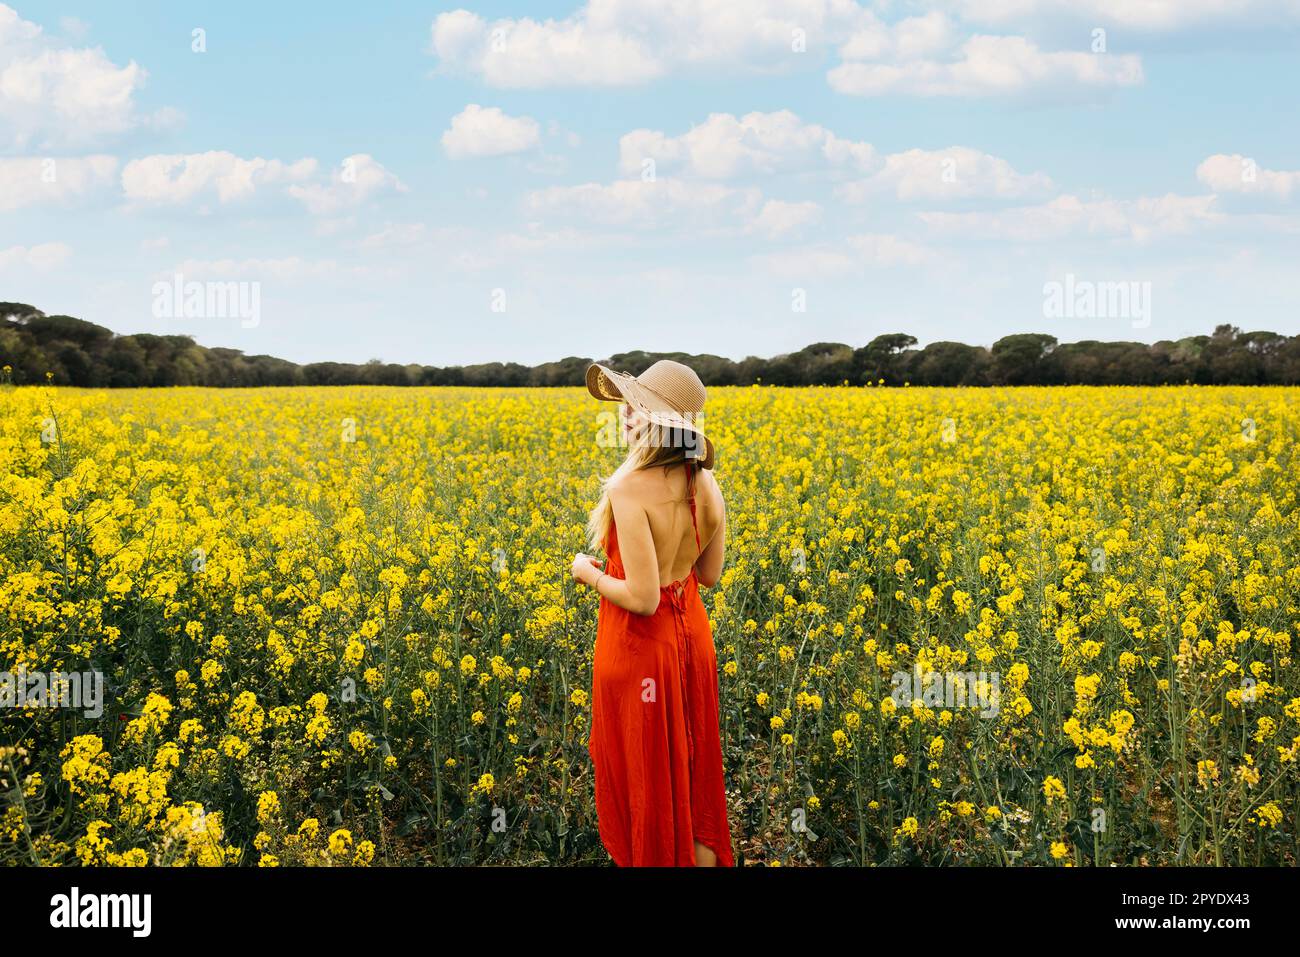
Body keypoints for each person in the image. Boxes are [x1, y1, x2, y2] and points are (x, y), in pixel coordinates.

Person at [571, 359, 735, 867]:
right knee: (693, 772)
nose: (625, 414)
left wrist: (588, 573)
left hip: (641, 651)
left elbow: (643, 599)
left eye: (638, 407)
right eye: (627, 403)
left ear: (664, 423)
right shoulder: (707, 485)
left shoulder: (627, 488)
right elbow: (706, 576)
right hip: (693, 643)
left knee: (645, 778)